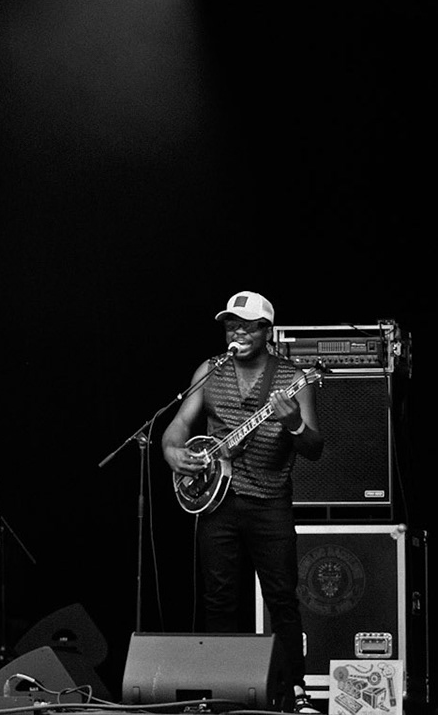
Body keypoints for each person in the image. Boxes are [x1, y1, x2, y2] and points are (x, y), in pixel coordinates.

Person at [161, 292, 323, 713]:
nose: (239, 332)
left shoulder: (293, 377)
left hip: (270, 501)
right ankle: (221, 691)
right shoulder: (210, 371)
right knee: (219, 598)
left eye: (249, 325)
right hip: (218, 501)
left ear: (267, 330)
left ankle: (297, 691)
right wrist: (173, 452)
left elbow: (315, 447)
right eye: (233, 325)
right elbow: (178, 425)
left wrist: (292, 424)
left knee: (281, 598)